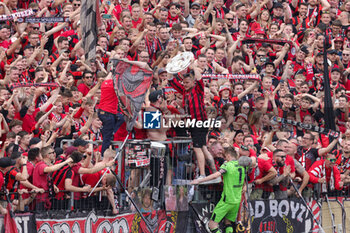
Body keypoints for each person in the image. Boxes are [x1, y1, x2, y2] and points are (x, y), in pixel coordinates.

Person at [191, 147, 252, 233]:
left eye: (225, 156)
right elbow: (244, 177)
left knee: (212, 225)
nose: (224, 158)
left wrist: (199, 180)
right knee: (228, 223)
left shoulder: (227, 166)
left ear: (228, 155)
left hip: (226, 201)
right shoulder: (242, 166)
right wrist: (244, 185)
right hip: (236, 201)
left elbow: (216, 175)